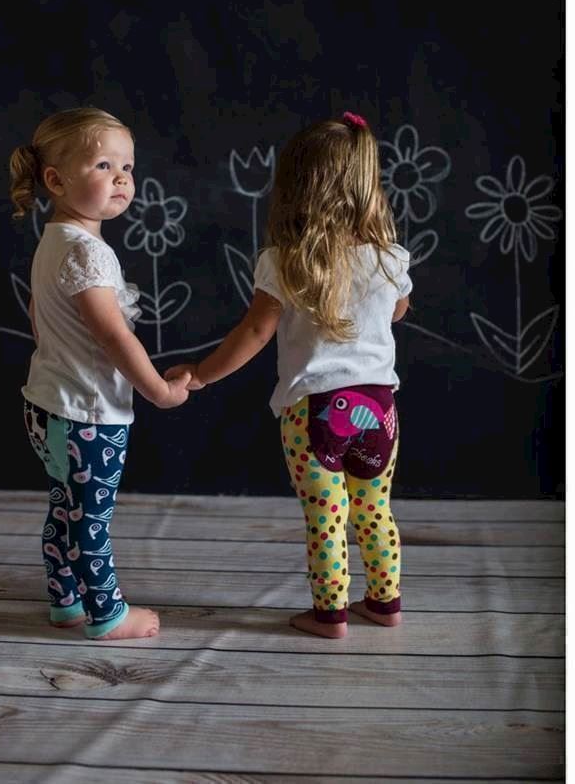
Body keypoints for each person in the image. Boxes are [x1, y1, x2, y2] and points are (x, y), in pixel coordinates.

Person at [166, 112, 412, 638]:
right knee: (374, 510)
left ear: (297, 187)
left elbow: (255, 332)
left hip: (314, 414)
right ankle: (385, 602)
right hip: (380, 412)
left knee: (327, 517)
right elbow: (397, 311)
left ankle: (330, 615)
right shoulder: (390, 258)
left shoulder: (284, 262)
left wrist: (203, 375)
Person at [9, 107, 192, 641]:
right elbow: (115, 337)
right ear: (56, 180)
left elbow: (38, 318)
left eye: (127, 167)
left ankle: (65, 601)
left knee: (65, 507)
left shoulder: (54, 241)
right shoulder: (89, 254)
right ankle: (108, 614)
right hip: (87, 416)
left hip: (48, 405)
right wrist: (158, 390)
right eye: (104, 165)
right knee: (91, 519)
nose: (121, 178)